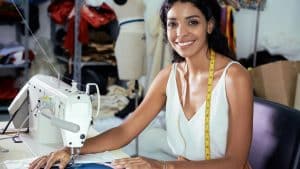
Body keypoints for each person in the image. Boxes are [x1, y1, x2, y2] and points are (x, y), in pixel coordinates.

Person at [29, 0, 253, 168]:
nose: (181, 33)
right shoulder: (168, 76)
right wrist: (73, 149)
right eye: (173, 24)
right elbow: (126, 130)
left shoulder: (234, 77)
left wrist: (163, 166)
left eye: (192, 22)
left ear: (210, 25)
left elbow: (235, 162)